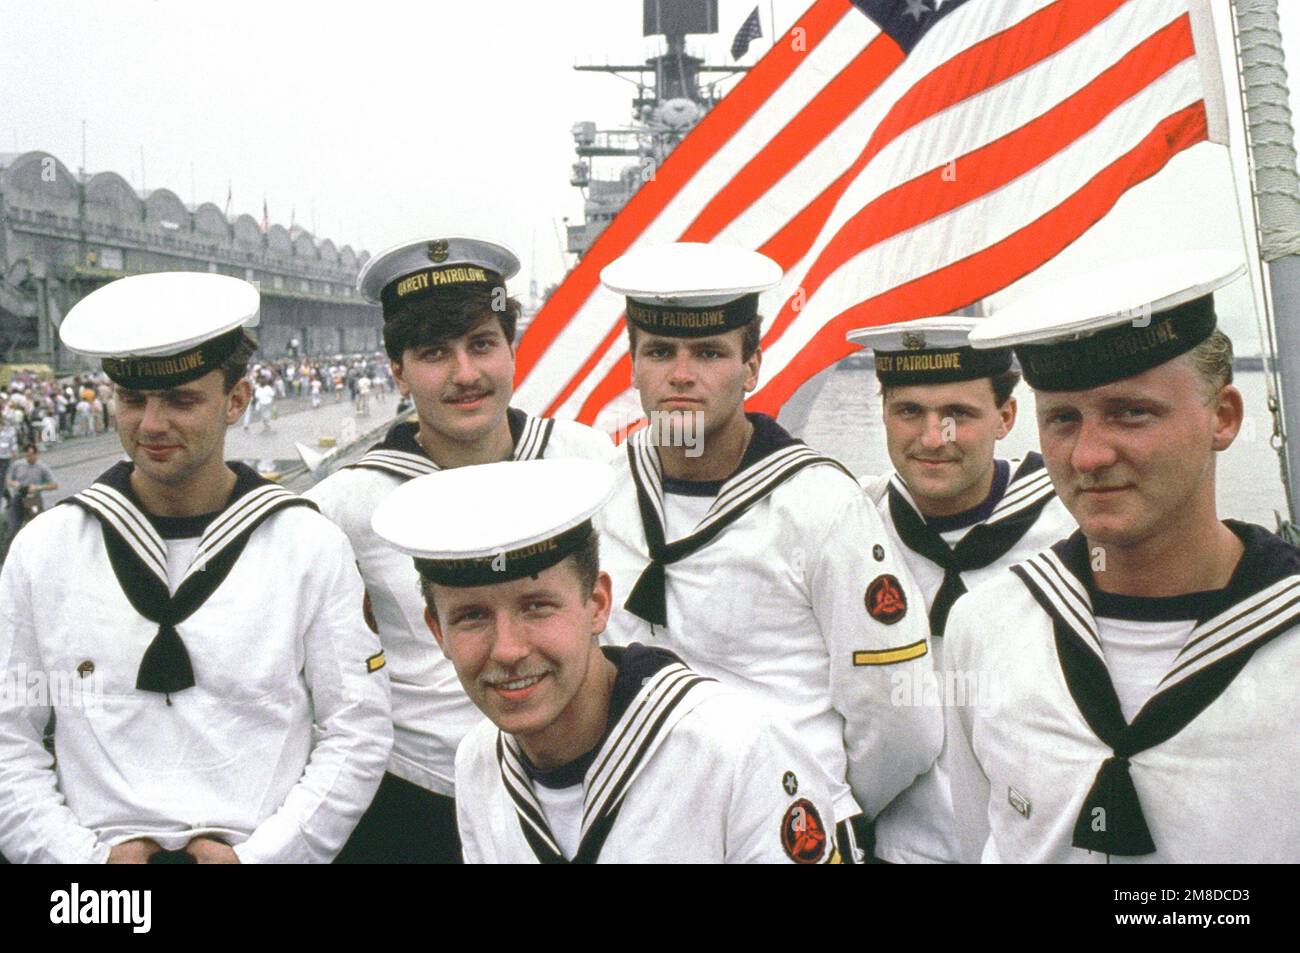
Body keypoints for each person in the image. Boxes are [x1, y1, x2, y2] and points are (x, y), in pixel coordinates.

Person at [0, 271, 392, 863]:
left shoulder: (307, 546)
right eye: (133, 400)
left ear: (236, 400)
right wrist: (81, 864)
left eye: (182, 400)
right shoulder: (44, 550)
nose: (152, 425)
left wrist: (263, 858)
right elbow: (9, 736)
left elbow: (357, 730)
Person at [944, 250, 1300, 863]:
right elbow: (988, 840)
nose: (1087, 456)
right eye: (1062, 419)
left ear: (1223, 417)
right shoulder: (987, 626)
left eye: (1131, 413)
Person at [593, 242, 942, 863]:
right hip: (644, 831)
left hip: (791, 835)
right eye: (659, 352)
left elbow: (899, 720)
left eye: (709, 353)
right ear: (634, 365)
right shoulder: (604, 492)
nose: (680, 374)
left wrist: (821, 799)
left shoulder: (818, 505)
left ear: (752, 367)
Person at [307, 236, 613, 864]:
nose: (465, 375)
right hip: (424, 803)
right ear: (397, 371)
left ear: (511, 349)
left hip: (589, 785)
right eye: (433, 354)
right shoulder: (345, 506)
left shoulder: (589, 463)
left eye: (481, 345)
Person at [372, 457, 841, 863]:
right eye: (472, 617)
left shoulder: (735, 753)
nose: (508, 650)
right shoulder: (479, 761)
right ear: (438, 632)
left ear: (597, 604)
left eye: (536, 607)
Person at [845, 317, 1076, 863]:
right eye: (909, 412)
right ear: (883, 414)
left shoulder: (1073, 525)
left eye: (958, 415)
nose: (932, 438)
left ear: (1006, 416)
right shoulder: (849, 526)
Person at [5, 442, 57, 539]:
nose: (29, 458)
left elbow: (54, 485)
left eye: (31, 455)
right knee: (13, 528)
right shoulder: (18, 465)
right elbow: (8, 480)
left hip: (33, 498)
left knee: (36, 525)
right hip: (19, 496)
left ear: (36, 454)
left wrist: (38, 487)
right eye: (27, 455)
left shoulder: (42, 467)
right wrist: (14, 484)